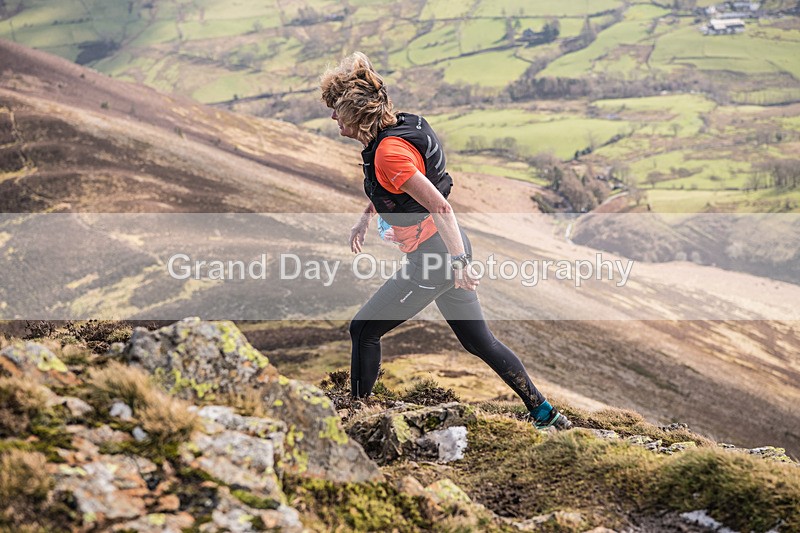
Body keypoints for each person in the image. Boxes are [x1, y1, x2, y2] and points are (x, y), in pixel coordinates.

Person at [319, 52, 572, 430]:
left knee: (364, 329)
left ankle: (355, 416)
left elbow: (439, 206)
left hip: (436, 259)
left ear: (355, 113)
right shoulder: (400, 128)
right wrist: (364, 218)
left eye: (337, 109)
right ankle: (546, 414)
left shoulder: (388, 153)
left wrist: (458, 265)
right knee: (479, 341)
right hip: (447, 250)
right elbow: (398, 190)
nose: (333, 117)